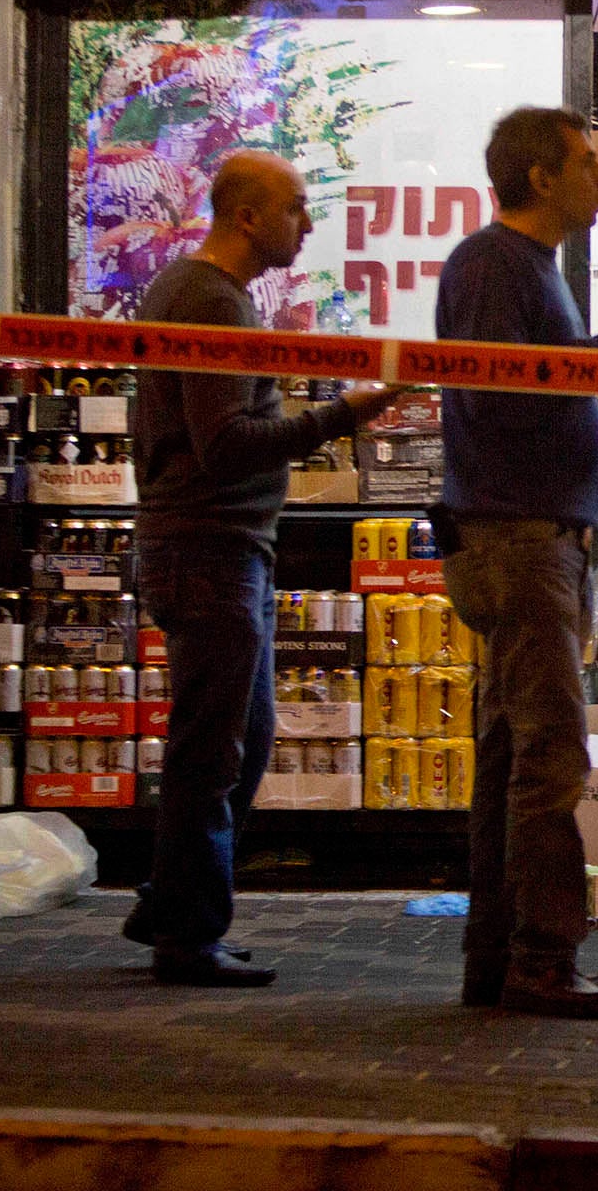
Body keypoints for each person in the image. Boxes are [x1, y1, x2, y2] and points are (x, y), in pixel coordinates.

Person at [129, 149, 407, 987]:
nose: (309, 223)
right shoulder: (212, 303)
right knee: (213, 750)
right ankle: (186, 936)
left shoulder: (193, 292)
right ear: (248, 216)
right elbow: (224, 447)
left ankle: (171, 905)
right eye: (295, 207)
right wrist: (339, 415)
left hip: (210, 548)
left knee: (238, 744)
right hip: (208, 549)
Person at [435, 106, 598, 1020]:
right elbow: (503, 393)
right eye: (587, 162)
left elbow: (525, 379)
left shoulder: (524, 268)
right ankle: (540, 960)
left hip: (530, 540)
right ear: (540, 176)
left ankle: (495, 958)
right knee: (548, 755)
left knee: (510, 751)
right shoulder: (494, 265)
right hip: (521, 541)